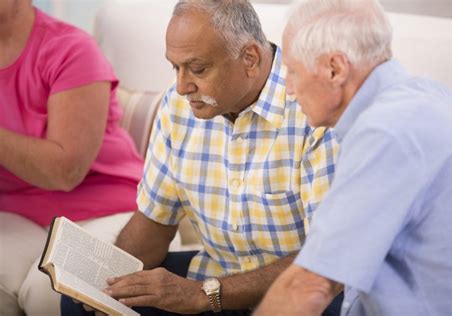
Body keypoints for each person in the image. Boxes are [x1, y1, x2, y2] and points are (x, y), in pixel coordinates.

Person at [61, 0, 341, 315]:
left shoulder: (316, 110)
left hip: (305, 295)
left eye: (197, 69)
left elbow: (328, 258)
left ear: (249, 58)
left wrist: (204, 295)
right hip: (215, 279)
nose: (181, 87)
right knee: (81, 305)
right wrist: (105, 282)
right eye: (175, 67)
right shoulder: (178, 106)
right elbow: (156, 221)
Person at [255, 0, 452, 315]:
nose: (289, 89)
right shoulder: (432, 96)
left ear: (336, 69)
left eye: (293, 70)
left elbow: (309, 286)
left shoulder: (386, 132)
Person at [0, 0, 144, 315]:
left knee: (52, 293)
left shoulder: (71, 49)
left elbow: (65, 171)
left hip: (106, 210)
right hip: (18, 213)